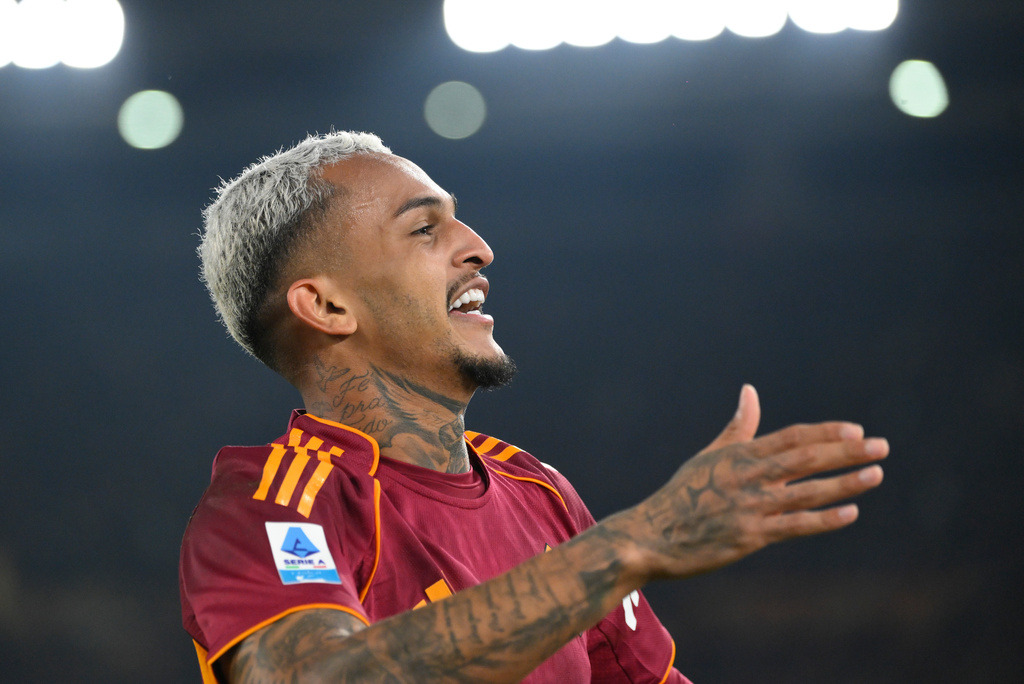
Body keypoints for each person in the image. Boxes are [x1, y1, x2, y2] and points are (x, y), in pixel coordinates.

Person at [179, 131, 888, 683]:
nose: (479, 248)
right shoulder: (272, 504)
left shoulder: (538, 493)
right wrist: (629, 544)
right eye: (425, 229)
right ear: (328, 305)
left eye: (460, 223)